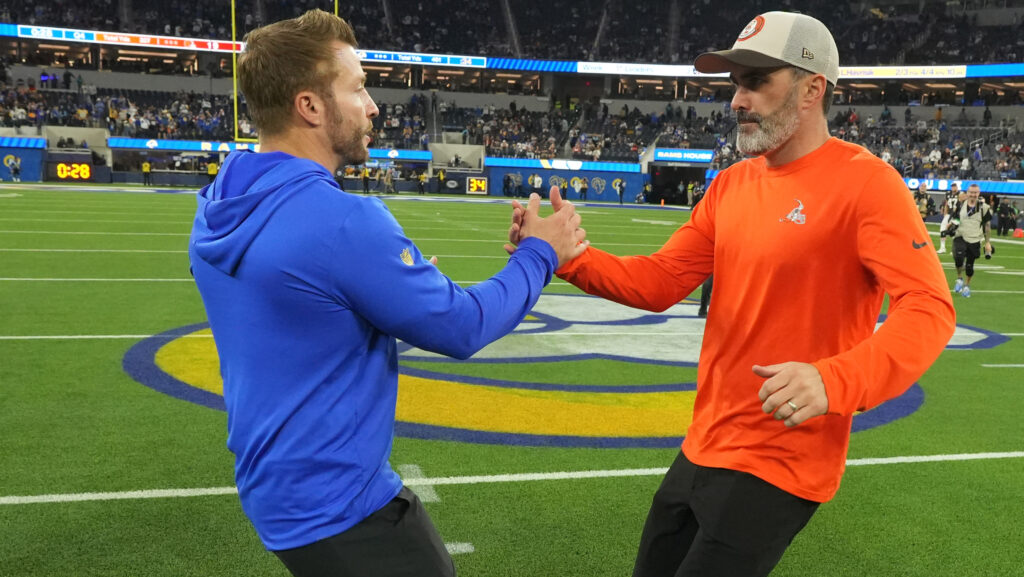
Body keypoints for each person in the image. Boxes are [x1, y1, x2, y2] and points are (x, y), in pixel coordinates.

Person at [507, 12, 954, 576]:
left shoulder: (867, 184)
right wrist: (572, 259)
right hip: (705, 441)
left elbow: (930, 309)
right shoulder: (731, 185)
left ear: (813, 88)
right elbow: (663, 280)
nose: (738, 100)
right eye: (735, 84)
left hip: (783, 457)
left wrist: (836, 379)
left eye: (757, 81)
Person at [187, 11, 587, 577]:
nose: (373, 105)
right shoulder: (343, 222)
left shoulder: (217, 201)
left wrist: (383, 289)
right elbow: (463, 326)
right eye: (357, 87)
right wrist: (540, 254)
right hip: (341, 506)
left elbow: (300, 316)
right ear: (311, 106)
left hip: (274, 485)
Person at [951, 184, 993, 298]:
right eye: (971, 192)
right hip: (960, 235)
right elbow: (955, 218)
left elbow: (987, 226)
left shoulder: (984, 207)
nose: (973, 195)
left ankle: (966, 285)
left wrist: (987, 242)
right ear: (967, 192)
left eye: (975, 193)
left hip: (975, 238)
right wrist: (949, 228)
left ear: (978, 194)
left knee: (970, 266)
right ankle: (959, 278)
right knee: (958, 259)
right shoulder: (960, 204)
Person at [937, 182, 963, 253]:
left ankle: (955, 248)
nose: (953, 188)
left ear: (957, 187)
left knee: (954, 231)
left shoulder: (961, 194)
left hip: (957, 215)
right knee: (942, 228)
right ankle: (942, 247)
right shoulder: (948, 194)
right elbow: (946, 204)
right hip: (949, 214)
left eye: (955, 186)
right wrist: (945, 214)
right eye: (952, 186)